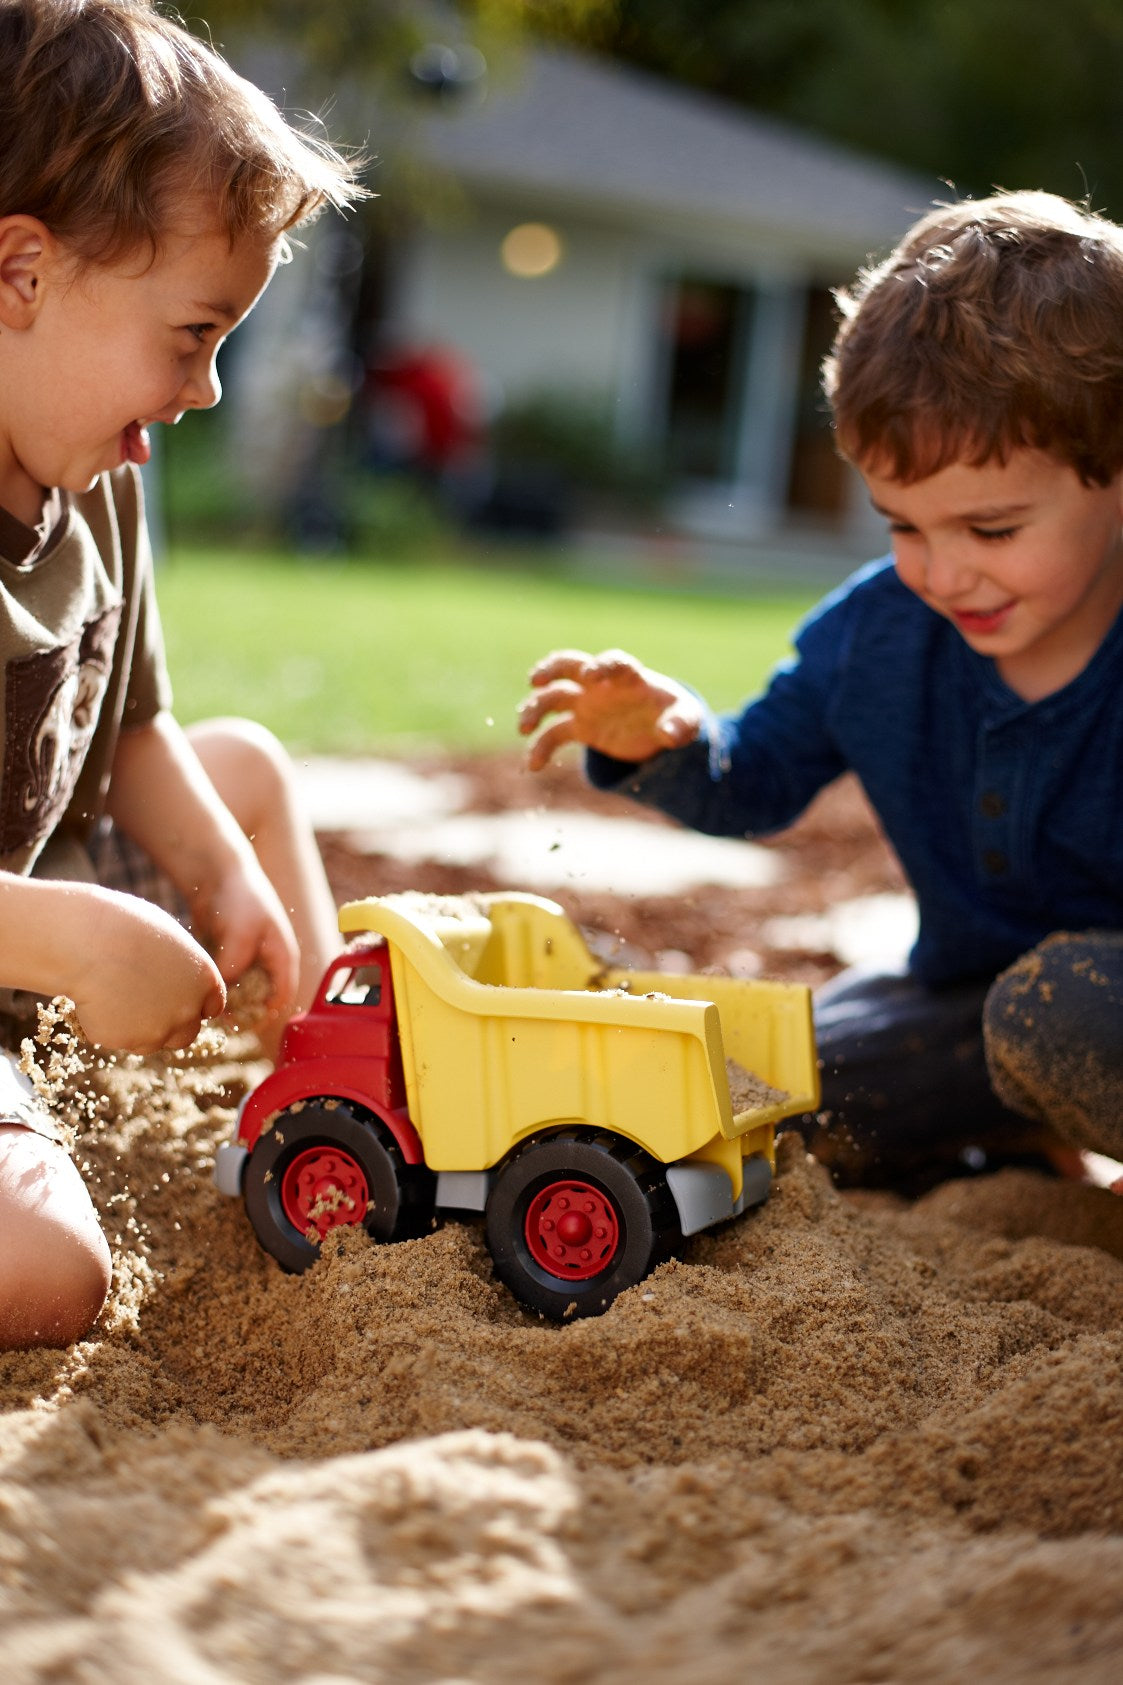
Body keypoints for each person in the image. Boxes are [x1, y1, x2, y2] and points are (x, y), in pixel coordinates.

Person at [519, 189, 1123, 1198]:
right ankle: (1013, 1155)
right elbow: (754, 776)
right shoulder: (877, 633)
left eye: (990, 530)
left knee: (1058, 1014)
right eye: (902, 525)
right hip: (968, 1002)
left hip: (1089, 1007)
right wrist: (671, 740)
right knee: (798, 1085)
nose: (940, 572)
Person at [0, 0, 363, 1348]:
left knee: (247, 774)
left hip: (23, 894)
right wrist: (65, 942)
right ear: (22, 275)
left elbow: (132, 726)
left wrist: (219, 882)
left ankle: (338, 1100)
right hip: (20, 934)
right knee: (48, 1276)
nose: (207, 390)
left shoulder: (100, 482)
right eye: (193, 334)